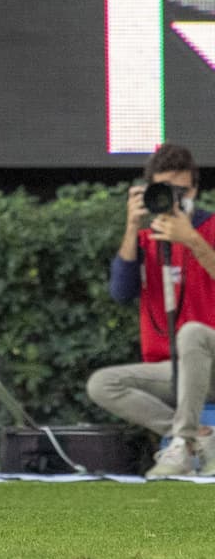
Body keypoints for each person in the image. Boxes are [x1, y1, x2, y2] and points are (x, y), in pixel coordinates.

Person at [87, 143, 215, 477]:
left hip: (211, 358)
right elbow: (120, 292)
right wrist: (131, 226)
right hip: (170, 368)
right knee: (102, 384)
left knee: (191, 333)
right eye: (165, 190)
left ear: (195, 190)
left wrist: (193, 240)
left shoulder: (210, 228)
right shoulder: (146, 238)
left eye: (181, 190)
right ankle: (196, 438)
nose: (175, 198)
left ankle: (181, 443)